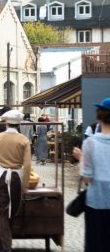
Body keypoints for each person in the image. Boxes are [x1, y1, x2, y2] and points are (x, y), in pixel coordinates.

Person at [0, 110, 31, 252]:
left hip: (1, 177)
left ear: (6, 124)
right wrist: (25, 186)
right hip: (16, 178)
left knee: (2, 212)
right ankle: (3, 246)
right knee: (11, 211)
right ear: (18, 124)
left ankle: (6, 248)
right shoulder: (24, 140)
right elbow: (27, 165)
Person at [73, 97, 110, 252]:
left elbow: (87, 177)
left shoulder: (90, 143)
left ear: (99, 116)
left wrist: (80, 158)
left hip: (96, 201)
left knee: (95, 244)